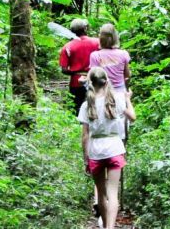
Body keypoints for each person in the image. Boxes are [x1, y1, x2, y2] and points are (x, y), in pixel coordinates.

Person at [79, 67, 135, 229]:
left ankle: (105, 226)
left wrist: (86, 159)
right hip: (115, 149)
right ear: (106, 81)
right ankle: (109, 227)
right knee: (112, 193)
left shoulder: (86, 105)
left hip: (95, 151)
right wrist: (128, 99)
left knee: (101, 194)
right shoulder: (117, 99)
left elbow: (85, 136)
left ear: (90, 83)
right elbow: (132, 117)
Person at [59, 19, 100, 113]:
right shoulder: (98, 42)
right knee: (97, 107)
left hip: (76, 82)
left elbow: (64, 70)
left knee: (77, 109)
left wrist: (76, 71)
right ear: (85, 29)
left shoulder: (67, 46)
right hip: (96, 79)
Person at [89, 23, 131, 98]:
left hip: (102, 93)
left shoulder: (95, 56)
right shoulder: (123, 54)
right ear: (115, 37)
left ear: (100, 38)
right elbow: (127, 75)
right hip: (120, 93)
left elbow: (93, 78)